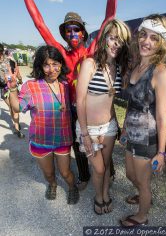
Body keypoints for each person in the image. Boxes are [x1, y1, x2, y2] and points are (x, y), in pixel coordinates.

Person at [6, 0, 124, 190]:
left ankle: (107, 177)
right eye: (68, 30)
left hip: (97, 108)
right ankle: (83, 176)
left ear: (83, 33)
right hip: (71, 110)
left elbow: (109, 18)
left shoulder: (92, 51)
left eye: (76, 29)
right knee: (78, 146)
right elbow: (39, 23)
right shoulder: (61, 54)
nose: (72, 33)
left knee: (105, 149)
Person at [7, 45, 79, 204]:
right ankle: (52, 185)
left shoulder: (66, 85)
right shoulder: (31, 86)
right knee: (48, 174)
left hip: (63, 139)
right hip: (41, 141)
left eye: (55, 64)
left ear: (61, 64)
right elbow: (17, 107)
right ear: (40, 66)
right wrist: (13, 90)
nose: (52, 69)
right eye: (46, 64)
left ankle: (72, 187)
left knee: (66, 172)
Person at [119, 14, 166, 227]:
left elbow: (161, 116)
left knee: (143, 181)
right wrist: (124, 129)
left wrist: (161, 152)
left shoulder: (160, 72)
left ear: (161, 44)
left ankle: (142, 216)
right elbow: (131, 104)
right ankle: (143, 194)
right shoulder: (136, 66)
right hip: (131, 134)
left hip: (147, 140)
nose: (146, 41)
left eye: (154, 38)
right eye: (143, 35)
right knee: (131, 175)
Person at [76, 19, 131, 214]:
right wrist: (84, 134)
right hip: (88, 129)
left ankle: (105, 193)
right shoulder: (90, 64)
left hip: (109, 126)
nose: (117, 44)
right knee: (98, 169)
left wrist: (119, 125)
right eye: (113, 38)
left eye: (121, 41)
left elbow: (111, 102)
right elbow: (80, 100)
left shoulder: (117, 68)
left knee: (106, 166)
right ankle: (98, 197)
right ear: (104, 38)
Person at [0, 44, 25, 138]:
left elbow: (17, 71)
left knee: (14, 108)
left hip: (12, 88)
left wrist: (20, 79)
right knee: (11, 107)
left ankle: (17, 128)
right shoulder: (11, 61)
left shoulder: (10, 61)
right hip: (4, 89)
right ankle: (16, 125)